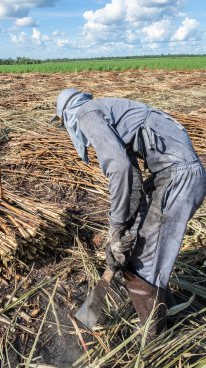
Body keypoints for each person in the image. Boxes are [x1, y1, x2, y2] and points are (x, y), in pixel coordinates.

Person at [51, 88, 206, 339]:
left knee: (143, 262)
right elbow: (133, 186)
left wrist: (116, 227)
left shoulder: (86, 113)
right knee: (142, 250)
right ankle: (165, 308)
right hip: (175, 175)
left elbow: (121, 169)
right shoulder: (108, 110)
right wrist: (125, 234)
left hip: (178, 178)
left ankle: (154, 338)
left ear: (65, 116)